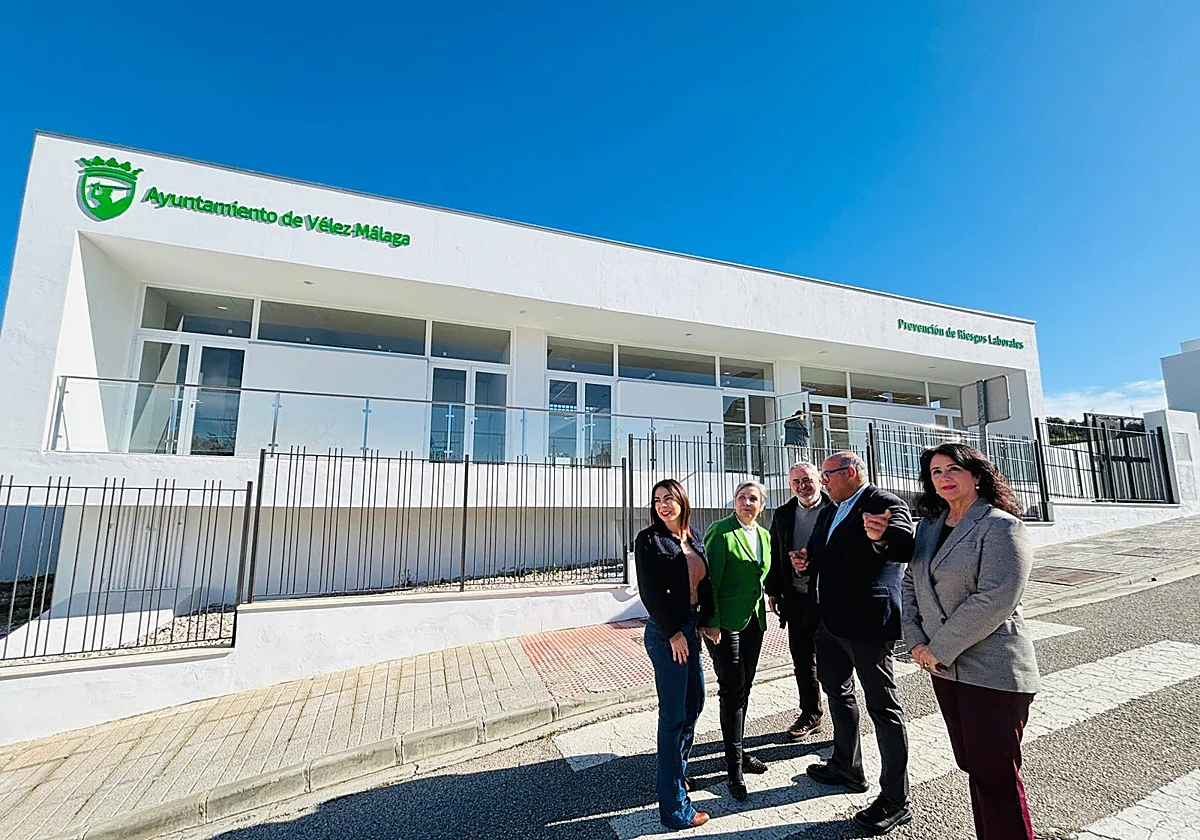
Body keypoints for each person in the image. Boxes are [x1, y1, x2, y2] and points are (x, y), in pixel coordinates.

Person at [902, 443, 1040, 840]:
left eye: (953, 469)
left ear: (976, 475)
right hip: (944, 670)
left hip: (993, 669)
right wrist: (915, 643)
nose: (944, 478)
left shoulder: (1001, 526)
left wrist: (937, 648)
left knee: (994, 772)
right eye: (935, 472)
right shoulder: (928, 528)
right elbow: (911, 583)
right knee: (973, 764)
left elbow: (996, 596)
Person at [794, 451, 916, 836]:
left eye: (827, 474)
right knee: (837, 693)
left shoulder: (883, 502)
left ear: (850, 472)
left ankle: (896, 799)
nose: (822, 481)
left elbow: (902, 544)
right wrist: (805, 562)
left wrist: (882, 538)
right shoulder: (831, 510)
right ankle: (847, 766)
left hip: (866, 624)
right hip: (828, 623)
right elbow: (822, 556)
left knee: (883, 707)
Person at [634, 479, 713, 830]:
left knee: (695, 701)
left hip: (691, 629)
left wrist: (706, 622)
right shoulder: (649, 540)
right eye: (657, 500)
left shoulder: (694, 536)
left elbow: (703, 584)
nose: (663, 504)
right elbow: (650, 592)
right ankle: (674, 809)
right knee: (673, 716)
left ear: (682, 500)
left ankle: (678, 775)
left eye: (669, 498)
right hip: (668, 634)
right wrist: (673, 634)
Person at [701, 481, 772, 801]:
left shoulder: (765, 535)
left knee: (745, 687)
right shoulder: (721, 531)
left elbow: (762, 577)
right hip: (724, 625)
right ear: (734, 502)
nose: (746, 502)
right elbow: (709, 581)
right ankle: (734, 769)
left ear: (761, 506)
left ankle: (740, 753)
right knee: (731, 690)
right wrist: (711, 623)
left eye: (753, 498)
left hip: (753, 622)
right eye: (741, 497)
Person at [764, 462, 831, 739]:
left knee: (834, 660)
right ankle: (811, 713)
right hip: (796, 598)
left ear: (819, 480)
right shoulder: (783, 514)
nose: (802, 486)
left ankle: (843, 718)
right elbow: (774, 552)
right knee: (803, 660)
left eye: (806, 480)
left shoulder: (835, 509)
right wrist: (773, 590)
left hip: (829, 599)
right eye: (796, 482)